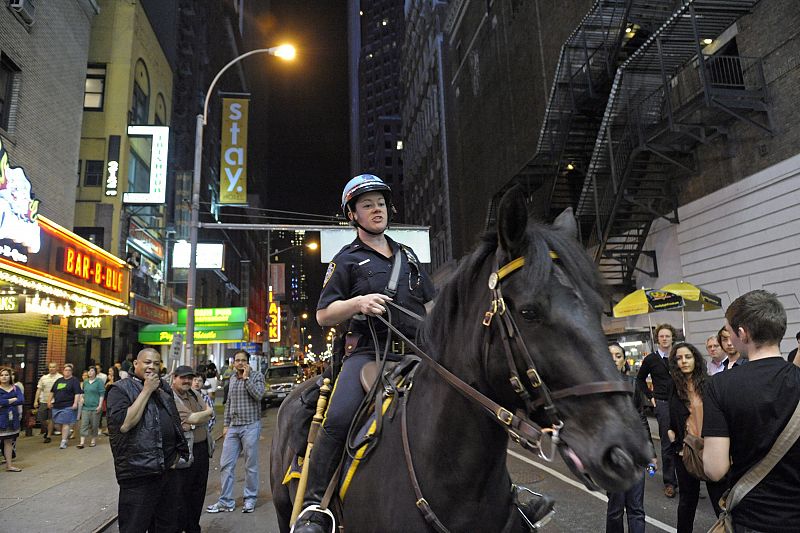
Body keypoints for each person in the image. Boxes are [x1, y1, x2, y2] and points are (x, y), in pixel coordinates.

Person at [292, 174, 435, 533]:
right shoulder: (346, 260)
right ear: (353, 215)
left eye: (381, 204)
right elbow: (324, 315)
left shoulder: (409, 255)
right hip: (368, 354)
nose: (377, 210)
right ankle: (314, 508)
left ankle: (506, 493)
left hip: (417, 354)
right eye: (367, 205)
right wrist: (358, 301)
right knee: (337, 419)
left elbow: (430, 305)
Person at [703, 290, 800, 532]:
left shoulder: (719, 385)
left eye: (731, 332)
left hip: (752, 519)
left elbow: (715, 470)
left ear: (743, 334)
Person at [106, 348, 188, 533]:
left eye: (157, 363)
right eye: (147, 362)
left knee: (167, 525)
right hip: (138, 473)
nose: (152, 367)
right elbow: (125, 425)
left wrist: (176, 453)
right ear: (136, 364)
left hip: (166, 470)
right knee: (135, 526)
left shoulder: (163, 389)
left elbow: (173, 419)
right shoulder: (119, 389)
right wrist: (146, 390)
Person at [666, 342, 728, 532]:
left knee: (720, 500)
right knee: (687, 501)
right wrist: (671, 433)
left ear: (695, 359)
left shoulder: (710, 383)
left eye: (687, 357)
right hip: (685, 449)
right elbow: (672, 415)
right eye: (679, 358)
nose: (683, 361)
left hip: (712, 448)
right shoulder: (674, 386)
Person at [206, 349, 265, 514]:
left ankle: (250, 499)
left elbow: (259, 395)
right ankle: (225, 501)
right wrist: (225, 425)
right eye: (237, 360)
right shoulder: (231, 378)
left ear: (247, 362)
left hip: (250, 426)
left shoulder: (257, 376)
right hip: (233, 427)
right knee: (226, 464)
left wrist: (247, 379)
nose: (239, 363)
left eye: (242, 360)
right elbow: (229, 403)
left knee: (250, 465)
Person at [605, 343, 656, 533]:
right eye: (609, 355)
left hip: (634, 453)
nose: (614, 359)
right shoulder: (596, 389)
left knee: (636, 508)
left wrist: (650, 452)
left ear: (624, 360)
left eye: (618, 356)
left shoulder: (633, 384)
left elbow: (642, 420)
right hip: (612, 455)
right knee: (615, 509)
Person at [636, 323, 679, 498]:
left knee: (684, 441)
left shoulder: (678, 356)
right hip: (662, 403)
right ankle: (670, 482)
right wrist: (650, 396)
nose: (664, 338)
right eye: (661, 336)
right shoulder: (651, 359)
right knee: (667, 443)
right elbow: (639, 380)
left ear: (672, 338)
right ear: (657, 339)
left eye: (667, 336)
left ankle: (687, 480)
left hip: (680, 403)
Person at [171, 366, 214, 533]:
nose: (187, 381)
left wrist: (203, 415)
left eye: (189, 377)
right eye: (183, 377)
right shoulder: (171, 397)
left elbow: (208, 414)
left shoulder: (194, 394)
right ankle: (181, 528)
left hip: (202, 449)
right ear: (174, 378)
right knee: (181, 494)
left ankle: (193, 528)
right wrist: (203, 415)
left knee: (198, 493)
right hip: (184, 451)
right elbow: (194, 417)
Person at [48, 363, 82, 449]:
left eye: (69, 370)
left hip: (68, 405)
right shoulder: (59, 381)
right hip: (57, 405)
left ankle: (63, 441)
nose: (67, 372)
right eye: (66, 370)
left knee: (65, 423)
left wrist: (75, 403)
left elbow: (77, 393)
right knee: (57, 423)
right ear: (63, 371)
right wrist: (49, 401)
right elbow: (52, 392)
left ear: (71, 372)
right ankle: (67, 433)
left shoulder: (74, 381)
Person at [0, 366, 24, 471]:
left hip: (11, 418)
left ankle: (9, 465)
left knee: (8, 442)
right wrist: (12, 400)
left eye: (6, 375)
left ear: (10, 376)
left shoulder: (16, 388)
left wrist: (5, 401)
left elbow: (21, 400)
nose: (4, 377)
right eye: (1, 375)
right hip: (1, 417)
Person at [34, 362, 62, 443]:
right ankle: (49, 429)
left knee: (51, 419)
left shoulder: (60, 378)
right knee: (41, 418)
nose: (52, 369)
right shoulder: (44, 378)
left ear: (57, 368)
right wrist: (36, 400)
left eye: (53, 367)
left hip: (54, 402)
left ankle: (48, 436)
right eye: (50, 367)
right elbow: (39, 389)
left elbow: (61, 391)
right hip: (44, 401)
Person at [78, 366, 104, 449]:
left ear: (95, 372)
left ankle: (93, 440)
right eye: (89, 371)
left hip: (95, 406)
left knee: (94, 424)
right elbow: (83, 392)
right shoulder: (85, 382)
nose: (90, 372)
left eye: (92, 371)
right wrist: (82, 398)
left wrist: (100, 405)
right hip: (86, 406)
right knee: (84, 424)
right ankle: (82, 442)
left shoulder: (99, 382)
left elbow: (101, 395)